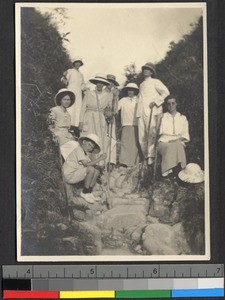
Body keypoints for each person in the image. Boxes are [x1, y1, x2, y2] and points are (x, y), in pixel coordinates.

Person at [137, 62, 169, 166]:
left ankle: (151, 156)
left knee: (151, 133)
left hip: (152, 111)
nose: (145, 71)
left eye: (148, 69)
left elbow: (166, 92)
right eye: (144, 69)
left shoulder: (155, 81)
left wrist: (156, 102)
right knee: (141, 134)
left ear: (151, 72)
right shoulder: (141, 84)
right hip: (141, 112)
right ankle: (145, 156)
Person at [79, 74, 115, 166]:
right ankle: (85, 162)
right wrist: (81, 122)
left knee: (99, 139)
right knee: (88, 138)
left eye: (102, 83)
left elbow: (109, 109)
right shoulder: (89, 93)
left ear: (104, 85)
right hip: (89, 117)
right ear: (95, 84)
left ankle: (98, 164)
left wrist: (110, 115)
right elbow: (83, 108)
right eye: (98, 83)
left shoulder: (107, 95)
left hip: (100, 118)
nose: (100, 85)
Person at [63, 133, 107, 204]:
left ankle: (89, 192)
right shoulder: (79, 150)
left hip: (74, 174)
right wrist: (100, 158)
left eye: (92, 147)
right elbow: (86, 164)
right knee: (90, 169)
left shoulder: (84, 154)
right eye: (89, 145)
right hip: (68, 175)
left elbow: (91, 164)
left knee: (96, 170)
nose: (90, 148)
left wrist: (98, 166)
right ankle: (85, 192)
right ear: (84, 142)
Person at [158, 95, 190, 178]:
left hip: (178, 140)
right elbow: (158, 132)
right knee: (169, 147)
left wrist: (176, 140)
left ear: (176, 104)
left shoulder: (182, 118)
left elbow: (185, 134)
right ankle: (169, 171)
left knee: (177, 145)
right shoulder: (163, 117)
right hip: (164, 141)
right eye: (168, 104)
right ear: (166, 105)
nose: (171, 105)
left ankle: (180, 172)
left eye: (173, 103)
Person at [48, 88, 79, 160]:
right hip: (58, 135)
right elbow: (50, 124)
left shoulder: (68, 114)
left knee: (77, 145)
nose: (67, 102)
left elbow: (67, 129)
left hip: (66, 135)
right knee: (74, 145)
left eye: (68, 100)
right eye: (64, 99)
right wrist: (54, 135)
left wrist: (71, 137)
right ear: (60, 100)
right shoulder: (55, 110)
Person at [61, 56, 86, 137]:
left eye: (79, 63)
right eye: (76, 62)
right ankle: (68, 125)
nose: (78, 64)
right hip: (71, 91)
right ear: (74, 63)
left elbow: (82, 85)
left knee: (78, 108)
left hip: (78, 94)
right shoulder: (70, 71)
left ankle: (75, 127)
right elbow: (64, 81)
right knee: (70, 107)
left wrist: (85, 89)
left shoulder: (81, 74)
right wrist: (64, 76)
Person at [118, 83, 141, 167]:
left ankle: (133, 163)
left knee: (135, 144)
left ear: (135, 91)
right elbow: (116, 108)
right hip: (126, 124)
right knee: (125, 144)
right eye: (128, 90)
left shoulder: (138, 100)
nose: (130, 92)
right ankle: (124, 162)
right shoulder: (123, 100)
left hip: (137, 125)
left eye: (132, 90)